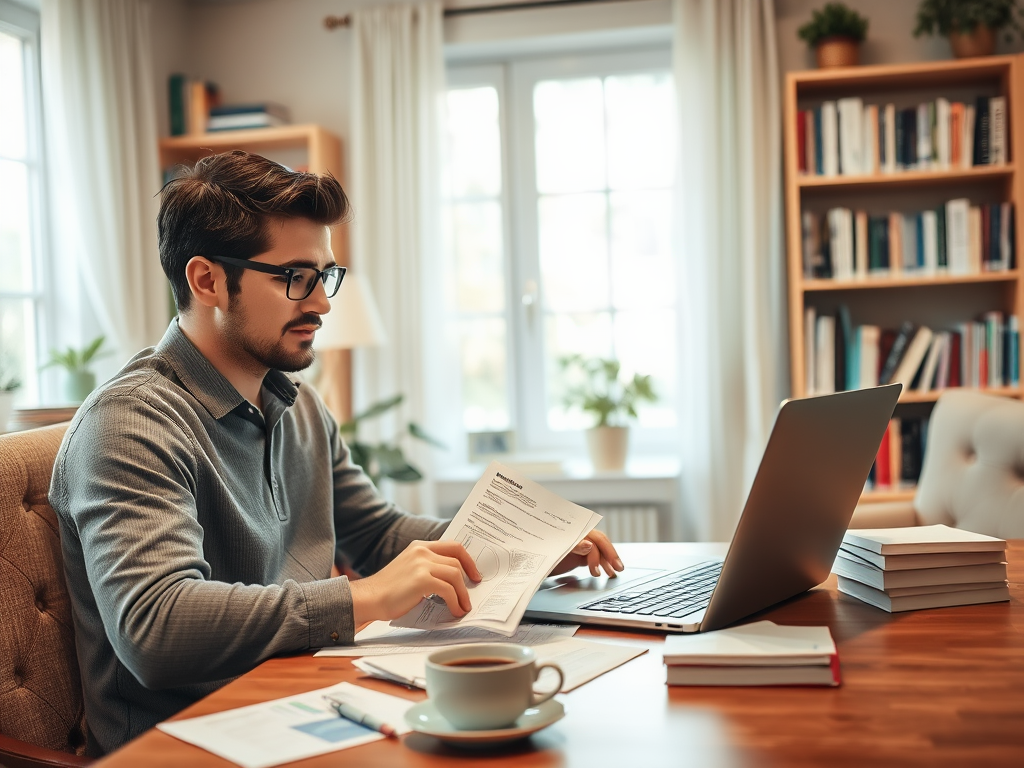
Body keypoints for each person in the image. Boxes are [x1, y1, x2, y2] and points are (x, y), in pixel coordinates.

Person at [49, 150, 623, 756]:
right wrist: (365, 596)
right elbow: (156, 627)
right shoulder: (130, 424)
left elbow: (378, 535)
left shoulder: (300, 407)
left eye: (325, 276)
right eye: (295, 277)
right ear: (207, 280)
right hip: (182, 747)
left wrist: (525, 549)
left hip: (298, 704)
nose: (322, 303)